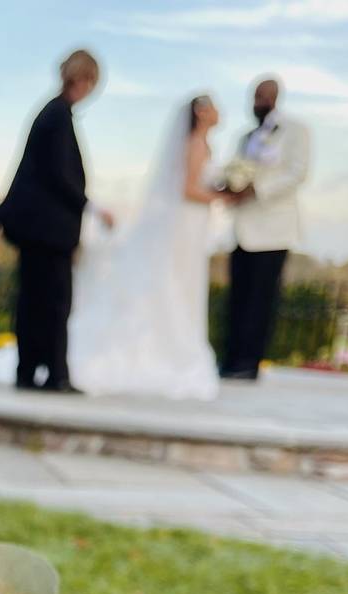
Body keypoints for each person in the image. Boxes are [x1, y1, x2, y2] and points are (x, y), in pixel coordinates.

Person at [63, 95, 229, 399]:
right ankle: (172, 351)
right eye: (214, 106)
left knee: (182, 287)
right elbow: (189, 189)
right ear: (202, 112)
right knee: (174, 285)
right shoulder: (194, 143)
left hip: (191, 226)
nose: (220, 111)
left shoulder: (202, 144)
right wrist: (225, 197)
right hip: (184, 226)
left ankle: (179, 346)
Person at [0, 49, 114, 393]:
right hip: (47, 232)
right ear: (84, 79)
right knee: (53, 302)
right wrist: (92, 206)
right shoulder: (58, 116)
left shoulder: (53, 113)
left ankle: (30, 371)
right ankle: (55, 375)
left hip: (38, 231)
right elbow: (61, 177)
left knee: (35, 302)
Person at [221, 78, 310, 380]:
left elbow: (298, 172)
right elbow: (235, 169)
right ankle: (232, 359)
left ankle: (249, 363)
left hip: (274, 230)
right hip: (242, 229)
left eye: (263, 96)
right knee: (238, 298)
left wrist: (255, 189)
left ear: (275, 98)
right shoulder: (245, 136)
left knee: (261, 299)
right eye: (255, 96)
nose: (258, 102)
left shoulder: (296, 131)